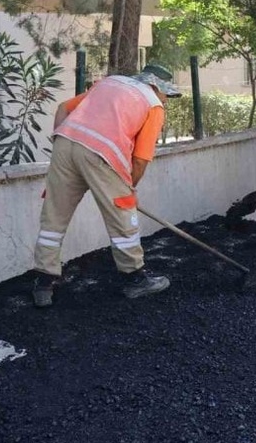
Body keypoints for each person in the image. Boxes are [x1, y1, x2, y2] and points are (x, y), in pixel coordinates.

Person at [31, 64, 183, 307]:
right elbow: (141, 159)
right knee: (122, 216)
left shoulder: (110, 83)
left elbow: (62, 108)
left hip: (65, 143)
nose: (166, 99)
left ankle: (43, 282)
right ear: (156, 86)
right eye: (167, 94)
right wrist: (128, 190)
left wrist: (61, 140)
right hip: (101, 154)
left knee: (54, 217)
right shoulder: (153, 104)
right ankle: (135, 279)